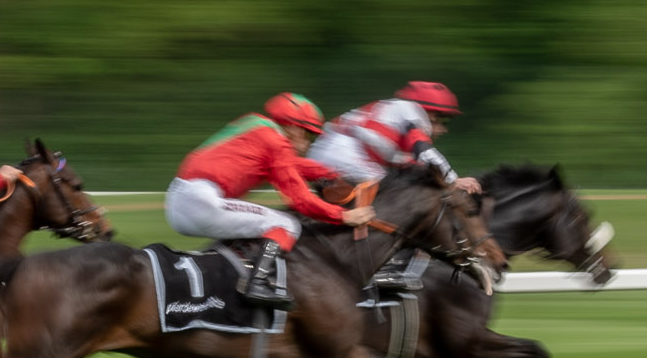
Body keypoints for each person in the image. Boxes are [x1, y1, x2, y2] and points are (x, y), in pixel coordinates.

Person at [166, 93, 374, 307]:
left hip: (182, 199)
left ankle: (234, 268)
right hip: (201, 201)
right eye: (307, 134)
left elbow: (289, 165)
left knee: (258, 221)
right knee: (286, 224)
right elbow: (300, 200)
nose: (307, 143)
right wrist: (344, 216)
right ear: (293, 127)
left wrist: (330, 174)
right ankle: (258, 283)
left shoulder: (257, 126)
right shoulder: (275, 141)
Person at [310, 81, 483, 197]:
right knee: (402, 195)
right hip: (342, 153)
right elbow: (426, 152)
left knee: (411, 187)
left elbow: (416, 167)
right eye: (443, 120)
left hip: (330, 151)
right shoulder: (412, 112)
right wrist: (453, 180)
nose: (444, 129)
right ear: (428, 112)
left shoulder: (396, 115)